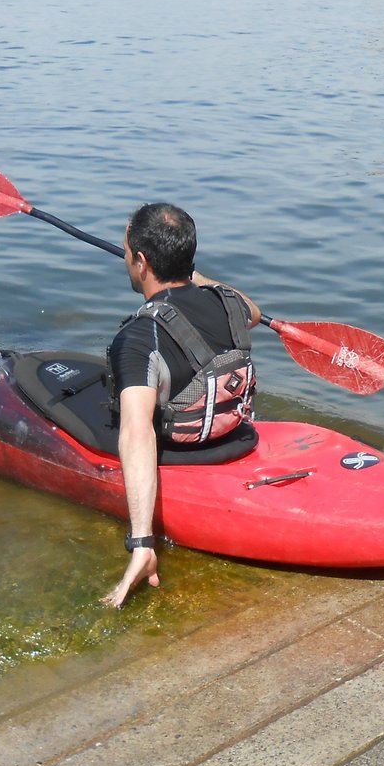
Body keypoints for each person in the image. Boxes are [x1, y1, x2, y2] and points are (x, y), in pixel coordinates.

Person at [101, 203, 260, 608]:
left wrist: (141, 541)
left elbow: (137, 432)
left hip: (182, 448)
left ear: (141, 261)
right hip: (233, 434)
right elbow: (254, 312)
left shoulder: (138, 337)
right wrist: (190, 275)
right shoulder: (230, 304)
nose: (124, 259)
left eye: (126, 251)